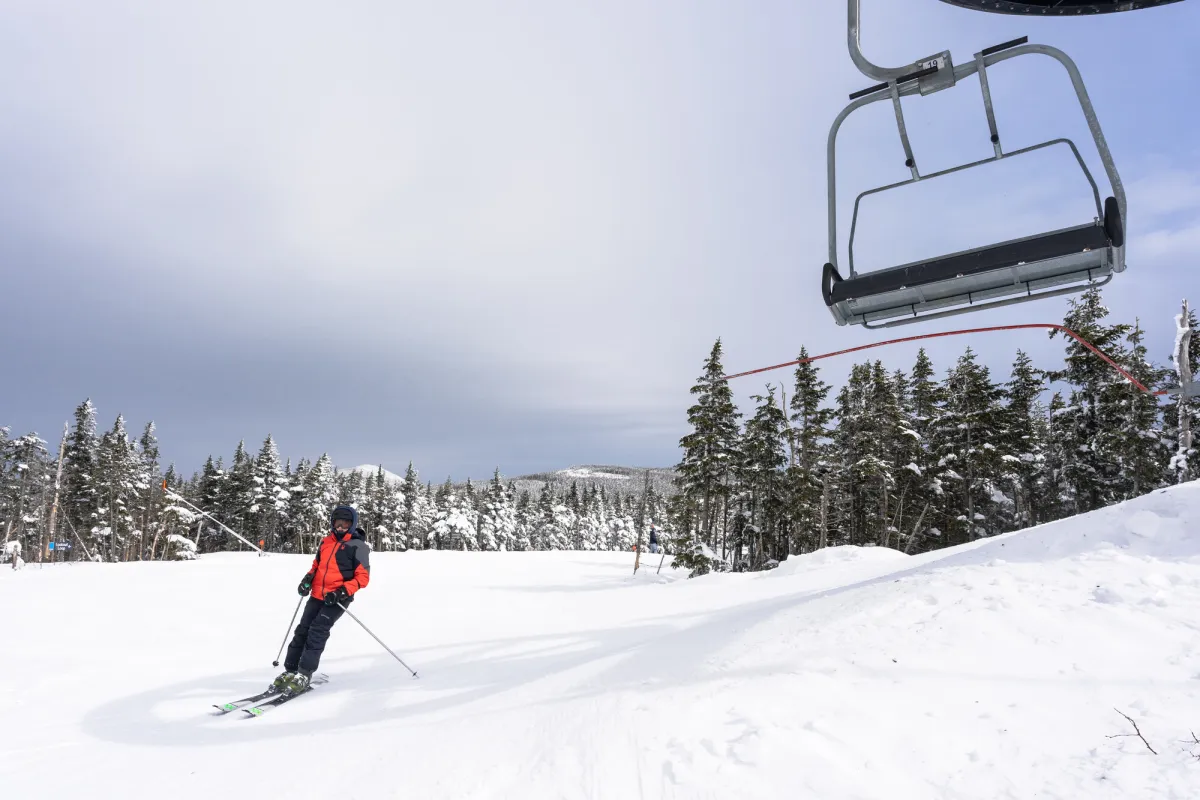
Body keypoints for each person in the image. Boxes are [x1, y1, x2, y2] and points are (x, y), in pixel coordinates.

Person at [273, 504, 370, 695]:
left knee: (317, 631)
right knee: (302, 629)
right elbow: (316, 566)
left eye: (345, 524)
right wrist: (307, 580)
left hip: (338, 598)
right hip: (317, 594)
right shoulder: (326, 542)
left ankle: (304, 673)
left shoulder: (358, 546)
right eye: (337, 523)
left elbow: (363, 578)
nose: (340, 527)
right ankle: (290, 670)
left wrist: (342, 592)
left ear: (352, 524)